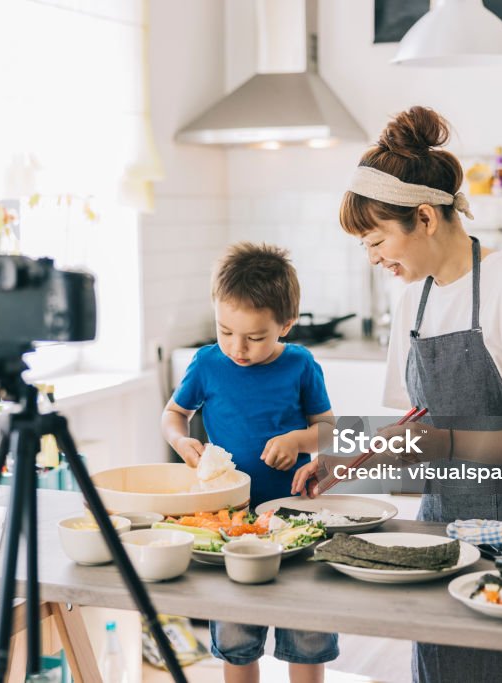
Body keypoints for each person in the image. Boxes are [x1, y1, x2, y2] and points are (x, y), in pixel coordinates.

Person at [291, 106, 502, 683]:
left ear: (425, 217)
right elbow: (419, 421)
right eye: (364, 246)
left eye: (376, 239)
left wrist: (449, 442)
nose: (374, 258)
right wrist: (347, 461)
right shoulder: (415, 301)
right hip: (442, 536)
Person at [162, 242, 337, 683]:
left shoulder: (300, 364)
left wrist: (299, 438)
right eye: (225, 331)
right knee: (237, 637)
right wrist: (181, 442)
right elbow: (173, 415)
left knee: (307, 632)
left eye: (255, 337)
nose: (237, 348)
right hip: (230, 520)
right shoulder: (207, 363)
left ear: (286, 325)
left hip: (296, 514)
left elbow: (331, 428)